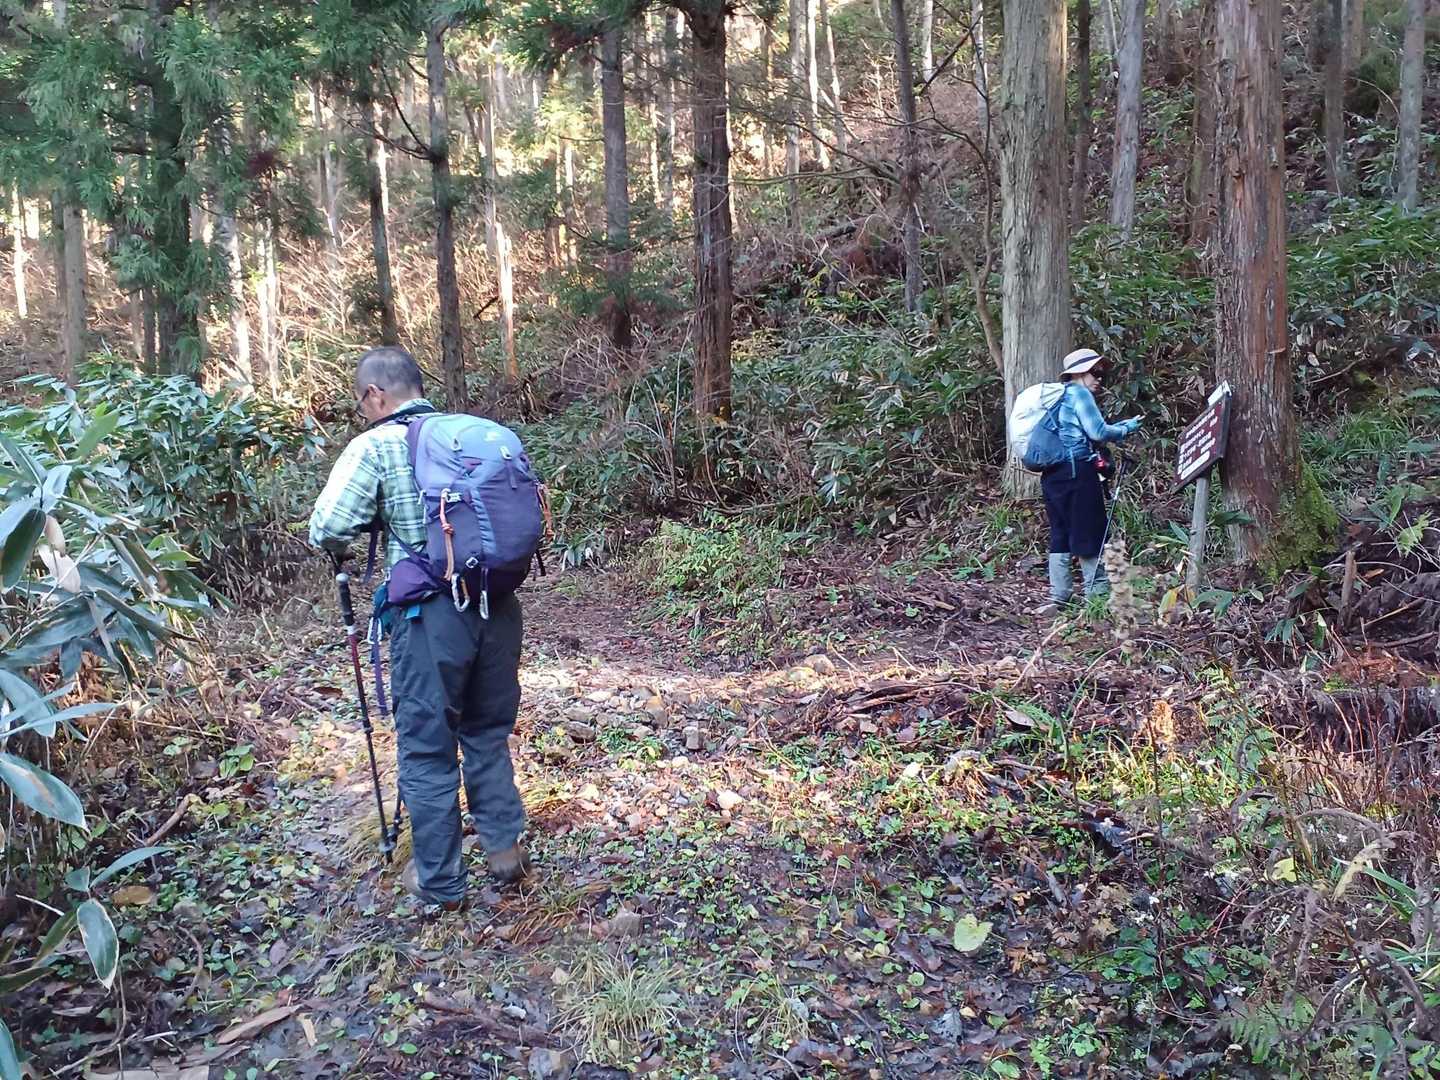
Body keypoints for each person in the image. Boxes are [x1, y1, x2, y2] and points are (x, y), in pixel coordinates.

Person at [309, 346, 530, 913]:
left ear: (375, 395)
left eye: (360, 402)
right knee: (486, 732)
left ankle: (440, 883)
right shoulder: (471, 435)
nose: (362, 411)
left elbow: (328, 526)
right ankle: (505, 852)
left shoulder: (376, 446)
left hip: (431, 617)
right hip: (497, 605)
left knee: (428, 749)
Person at [1040, 348, 1142, 609]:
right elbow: (1097, 432)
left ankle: (1059, 595)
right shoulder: (1079, 393)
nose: (1099, 378)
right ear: (1078, 373)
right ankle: (1096, 598)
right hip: (1078, 471)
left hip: (1052, 475)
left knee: (1061, 531)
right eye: (1094, 372)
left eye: (1101, 373)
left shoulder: (1056, 396)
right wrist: (1126, 428)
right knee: (1091, 530)